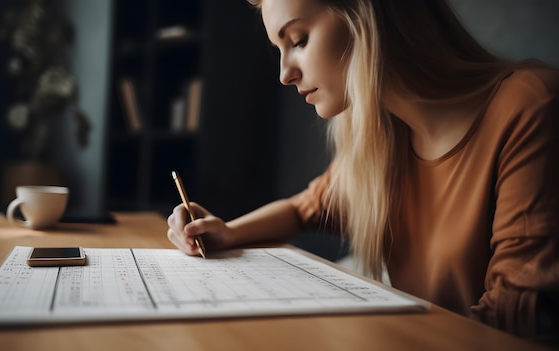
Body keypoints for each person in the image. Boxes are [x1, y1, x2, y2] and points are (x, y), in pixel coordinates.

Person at [167, 0, 559, 344]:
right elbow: (307, 208)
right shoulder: (384, 138)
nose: (285, 74)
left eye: (299, 40)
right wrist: (226, 232)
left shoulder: (530, 108)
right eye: (280, 49)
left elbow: (512, 326)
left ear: (368, 15)